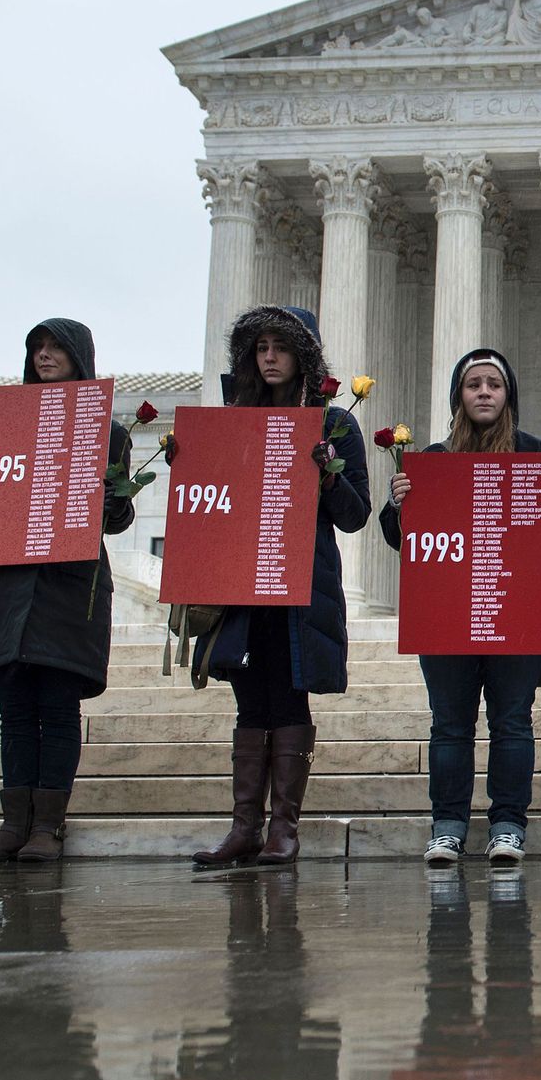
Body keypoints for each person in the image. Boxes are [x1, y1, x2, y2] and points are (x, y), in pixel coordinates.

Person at [382, 349, 541, 867]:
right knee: (449, 723)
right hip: (445, 610)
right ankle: (447, 828)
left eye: (494, 383)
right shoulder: (431, 459)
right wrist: (398, 504)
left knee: (512, 721)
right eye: (474, 384)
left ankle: (508, 826)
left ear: (508, 394)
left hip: (515, 607)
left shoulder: (538, 454)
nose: (484, 392)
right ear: (460, 396)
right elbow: (400, 537)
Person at [0, 319, 135, 863]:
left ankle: (46, 828)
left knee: (56, 706)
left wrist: (111, 498)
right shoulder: (2, 426)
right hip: (12, 587)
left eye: (56, 347)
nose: (45, 356)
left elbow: (119, 520)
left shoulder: (109, 431)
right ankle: (14, 825)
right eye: (37, 347)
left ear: (81, 357)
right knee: (14, 708)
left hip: (67, 588)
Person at [192, 306, 370, 867]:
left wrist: (327, 472)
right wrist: (188, 465)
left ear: (303, 357)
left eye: (281, 347)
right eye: (261, 347)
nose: (269, 357)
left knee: (290, 695)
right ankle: (245, 826)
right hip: (243, 583)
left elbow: (356, 514)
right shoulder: (231, 421)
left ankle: (283, 828)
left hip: (300, 582)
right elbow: (212, 505)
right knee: (249, 699)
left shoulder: (336, 424)